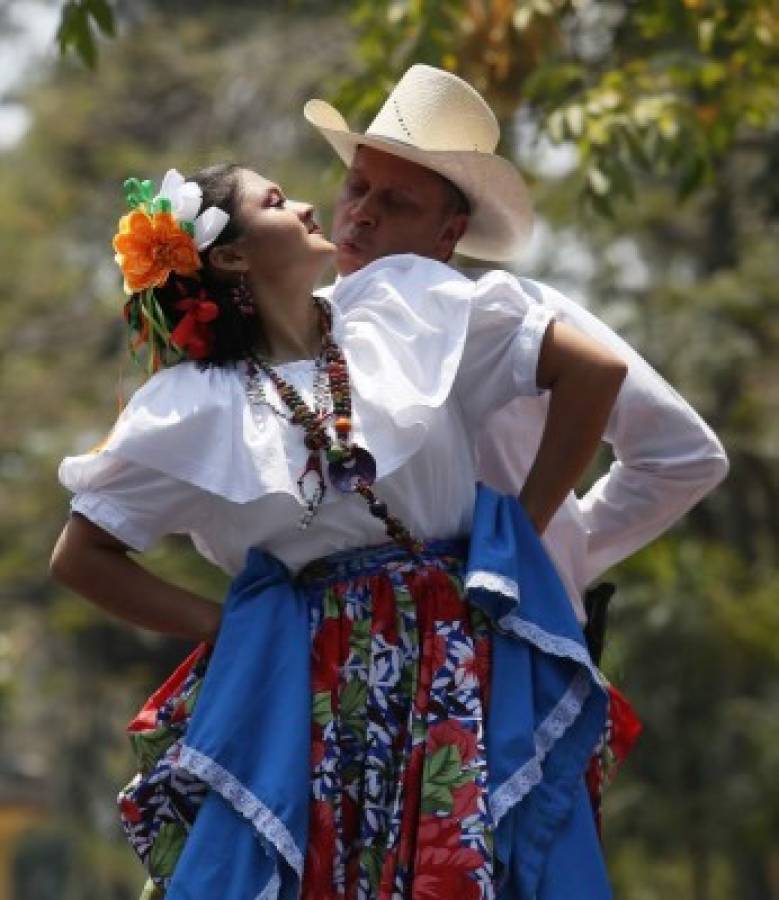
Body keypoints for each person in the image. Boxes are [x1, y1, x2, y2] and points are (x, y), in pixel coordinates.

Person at [51, 162, 632, 898]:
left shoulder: (403, 309)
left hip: (460, 652)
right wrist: (230, 630)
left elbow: (593, 368)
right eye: (273, 199)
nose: (304, 202)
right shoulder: (189, 407)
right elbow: (81, 556)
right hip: (313, 682)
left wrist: (514, 537)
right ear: (230, 256)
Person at [304, 64, 729, 628]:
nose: (363, 212)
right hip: (351, 653)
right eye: (357, 187)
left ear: (449, 235)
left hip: (513, 643)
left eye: (399, 202)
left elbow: (682, 456)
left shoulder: (511, 310)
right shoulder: (305, 327)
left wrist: (535, 544)